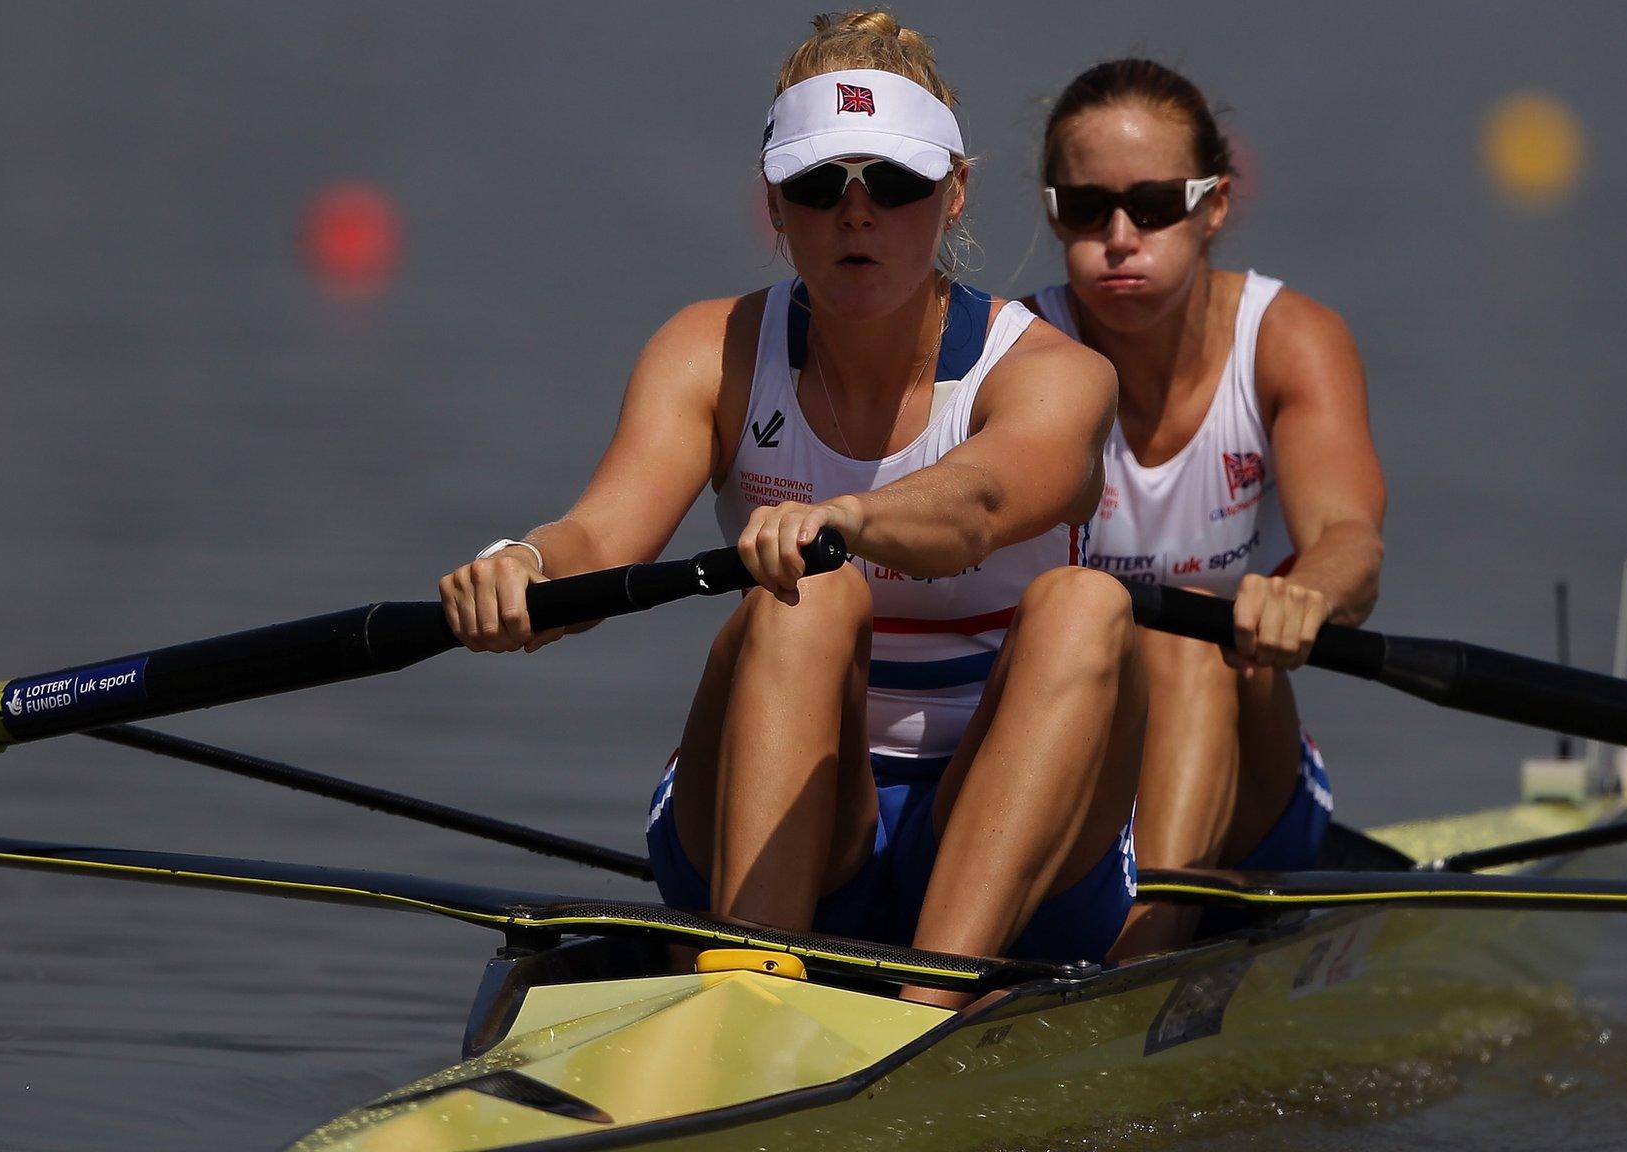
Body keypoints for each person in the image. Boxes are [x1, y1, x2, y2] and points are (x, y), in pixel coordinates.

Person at [439, 13, 1144, 996]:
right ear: (774, 202)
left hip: (1024, 849)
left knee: (1087, 608)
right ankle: (746, 993)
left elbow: (978, 502)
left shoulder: (1051, 373)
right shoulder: (710, 349)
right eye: (819, 186)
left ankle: (928, 1003)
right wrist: (523, 565)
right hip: (778, 820)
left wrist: (849, 520)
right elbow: (599, 539)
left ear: (954, 192)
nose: (855, 216)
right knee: (814, 597)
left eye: (892, 184)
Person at [1027, 59, 1387, 958]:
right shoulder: (1017, 355)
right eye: (1085, 208)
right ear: (1051, 212)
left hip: (1256, 792)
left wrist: (1307, 592)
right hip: (1077, 771)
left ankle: (1137, 968)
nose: (1118, 236)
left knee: (1194, 638)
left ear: (1214, 206)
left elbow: (1349, 540)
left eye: (1152, 206)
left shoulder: (1289, 340)